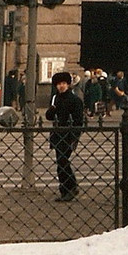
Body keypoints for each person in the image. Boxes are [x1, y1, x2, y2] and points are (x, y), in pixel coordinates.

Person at [45, 71, 85, 202]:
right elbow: (49, 116)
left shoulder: (74, 100)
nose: (61, 86)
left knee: (63, 161)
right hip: (57, 134)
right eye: (59, 84)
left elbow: (79, 120)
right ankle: (65, 189)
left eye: (63, 83)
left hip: (68, 135)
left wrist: (75, 137)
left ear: (68, 84)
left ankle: (71, 187)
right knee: (60, 162)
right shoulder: (56, 98)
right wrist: (51, 110)